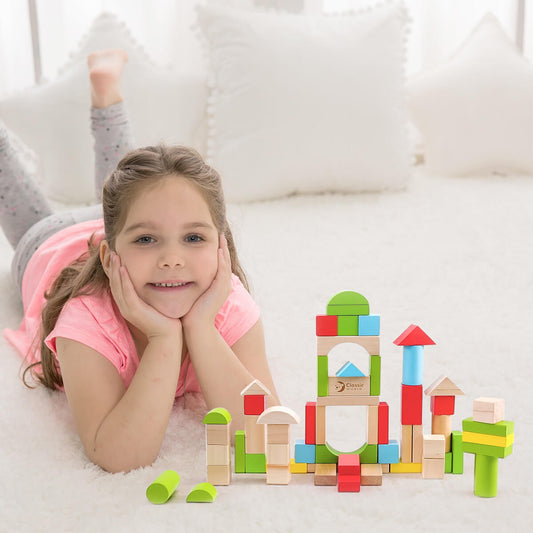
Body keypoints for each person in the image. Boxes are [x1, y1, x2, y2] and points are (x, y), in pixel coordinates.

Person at [1, 50, 279, 473]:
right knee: (30, 214)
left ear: (221, 247)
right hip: (50, 243)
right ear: (110, 256)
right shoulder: (86, 319)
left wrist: (200, 328)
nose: (172, 260)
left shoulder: (226, 302)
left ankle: (107, 94)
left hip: (115, 228)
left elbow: (265, 433)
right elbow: (117, 455)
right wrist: (165, 339)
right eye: (148, 240)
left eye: (194, 238)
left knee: (132, 193)